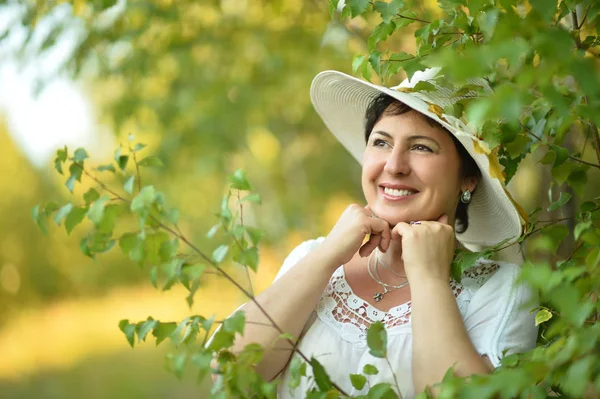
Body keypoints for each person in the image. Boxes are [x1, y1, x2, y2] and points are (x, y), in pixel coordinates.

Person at [219, 68, 538, 398]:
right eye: (381, 142)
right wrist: (328, 255)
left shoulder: (502, 289)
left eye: (422, 148)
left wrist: (429, 279)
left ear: (468, 178)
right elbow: (229, 375)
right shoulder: (312, 258)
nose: (394, 165)